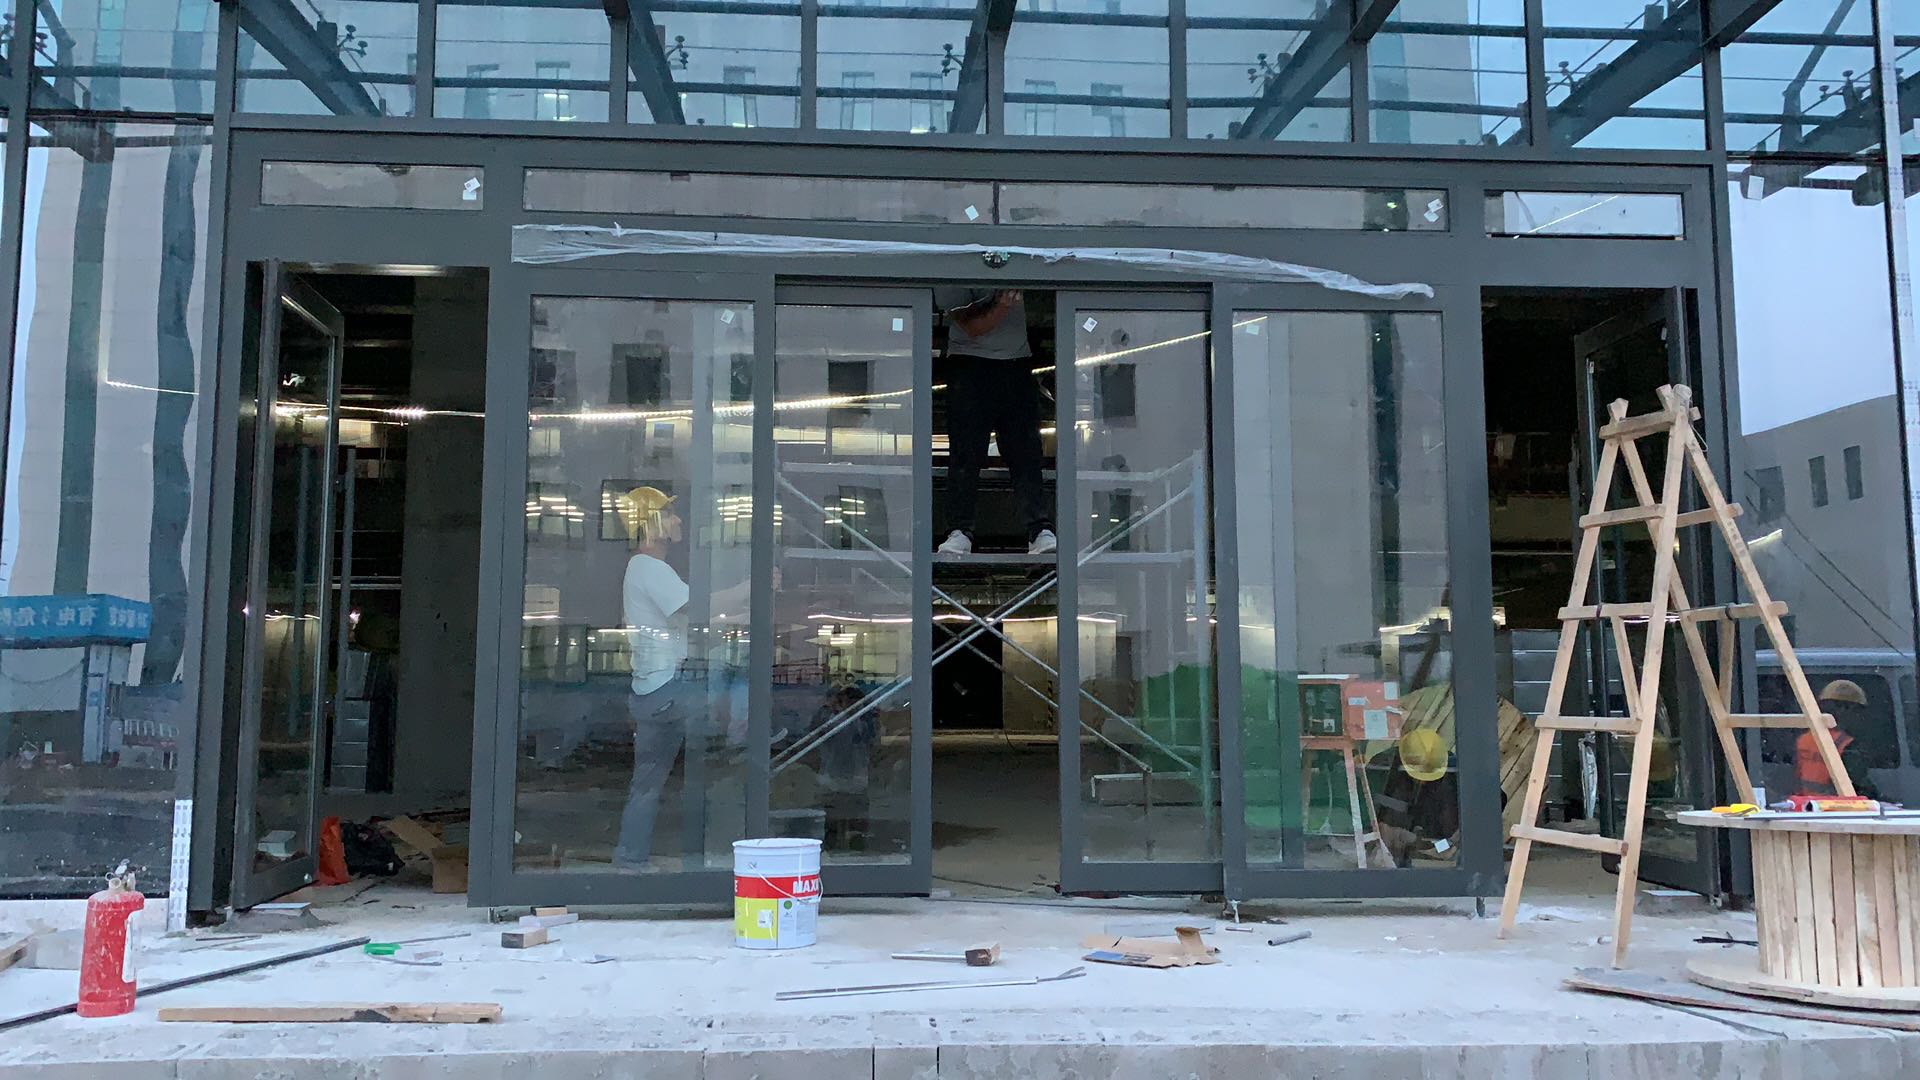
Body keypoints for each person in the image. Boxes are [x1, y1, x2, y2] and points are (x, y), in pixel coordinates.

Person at [933, 287, 1056, 556]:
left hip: (1015, 362)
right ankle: (960, 530)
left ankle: (1038, 530)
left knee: (1026, 451)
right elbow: (972, 326)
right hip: (969, 364)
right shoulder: (950, 272)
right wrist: (1002, 304)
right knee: (966, 452)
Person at [1794, 678, 1882, 799]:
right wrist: (1880, 799)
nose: (1859, 718)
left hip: (1808, 804)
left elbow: (1798, 775)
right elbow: (1859, 784)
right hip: (1836, 806)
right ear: (1844, 709)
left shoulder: (1804, 739)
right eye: (1857, 711)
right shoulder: (1847, 745)